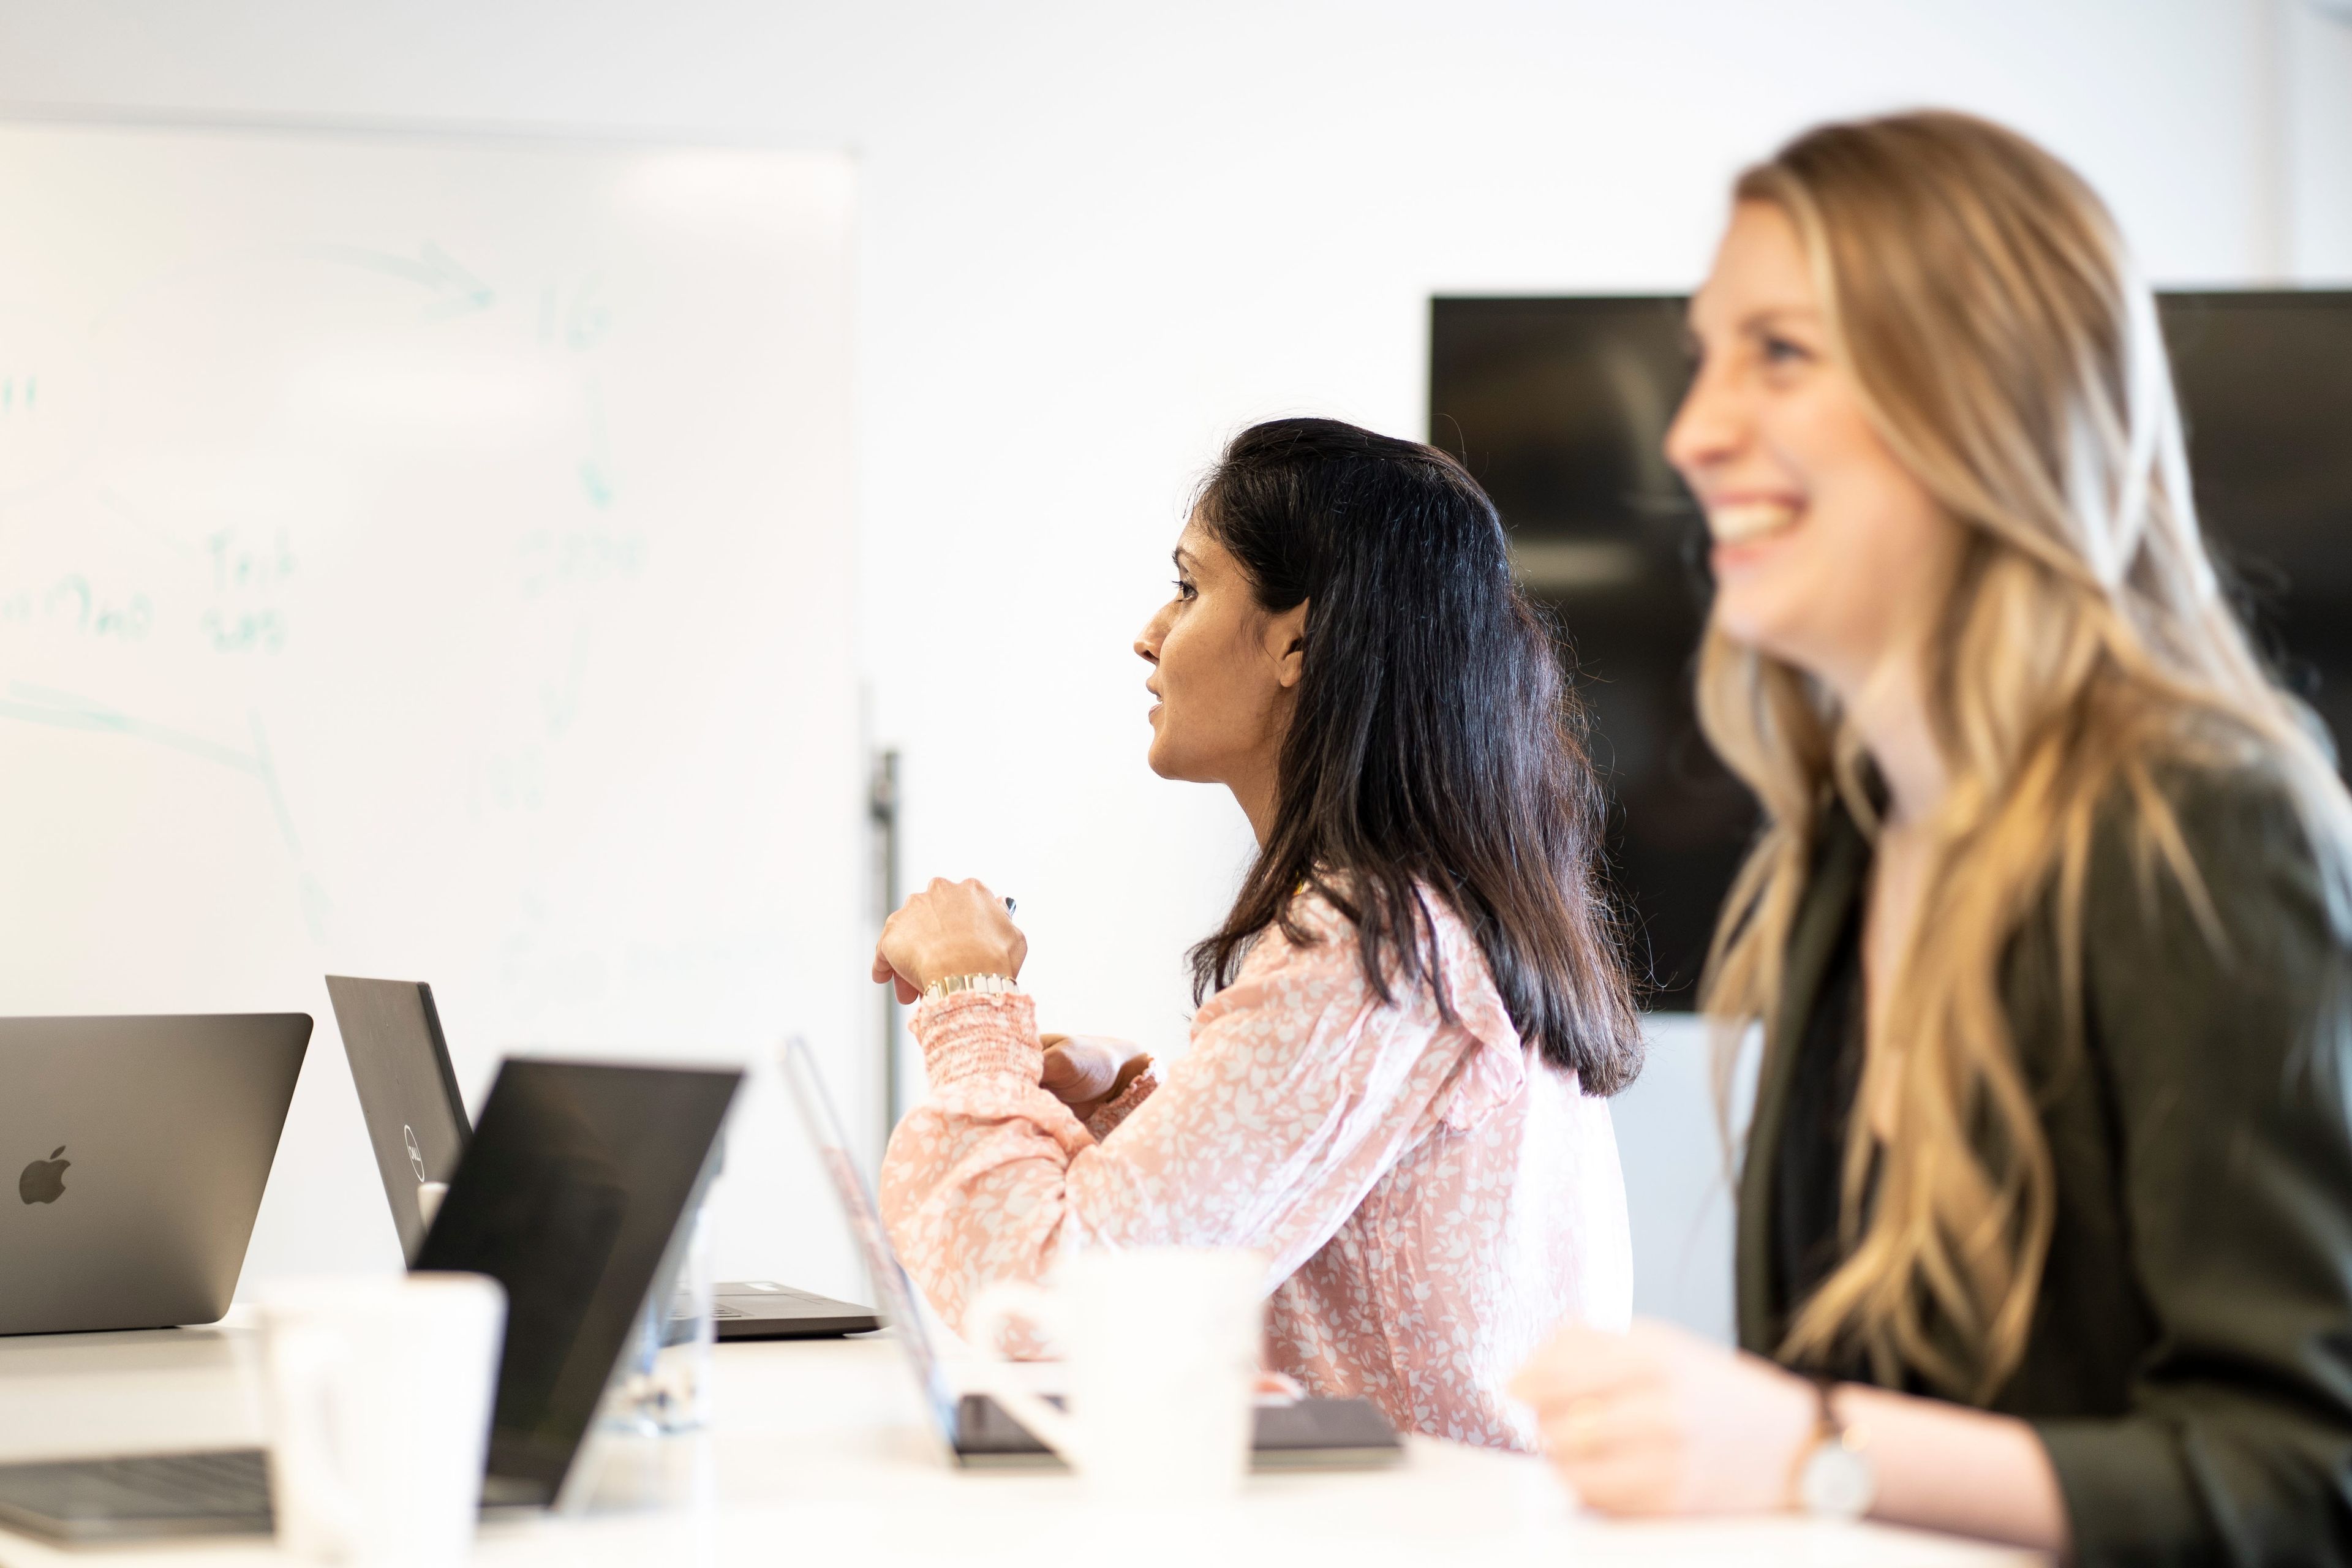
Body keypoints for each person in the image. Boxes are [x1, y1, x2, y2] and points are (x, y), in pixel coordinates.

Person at [1512, 110, 2352, 1560]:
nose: (1692, 431)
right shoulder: (1847, 840)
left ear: (1989, 395)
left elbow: (2304, 1474)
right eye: (1707, 354)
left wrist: (1814, 1447)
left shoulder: (2197, 823)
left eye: (1779, 351)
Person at [870, 417, 1642, 1448]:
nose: (1150, 633)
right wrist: (1131, 1107)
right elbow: (1320, 1216)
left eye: (1190, 589)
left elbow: (1055, 1307)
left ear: (1296, 640)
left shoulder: (1368, 944)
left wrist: (970, 998)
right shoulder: (1425, 912)